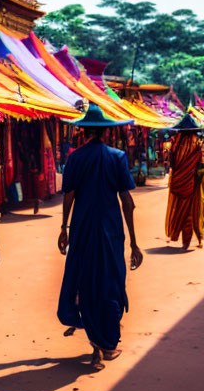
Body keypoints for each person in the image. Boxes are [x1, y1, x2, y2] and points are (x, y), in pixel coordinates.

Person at [57, 103, 143, 371]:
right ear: (106, 132)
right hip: (110, 230)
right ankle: (108, 344)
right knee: (111, 282)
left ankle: (96, 344)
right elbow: (127, 201)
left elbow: (68, 196)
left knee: (86, 281)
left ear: (83, 131)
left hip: (82, 229)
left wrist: (64, 227)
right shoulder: (116, 157)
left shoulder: (75, 158)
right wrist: (134, 241)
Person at [165, 113, 204, 250]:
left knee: (179, 210)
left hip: (177, 182)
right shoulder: (197, 144)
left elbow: (171, 163)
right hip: (191, 183)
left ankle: (184, 240)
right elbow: (201, 163)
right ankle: (192, 239)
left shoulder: (175, 143)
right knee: (193, 211)